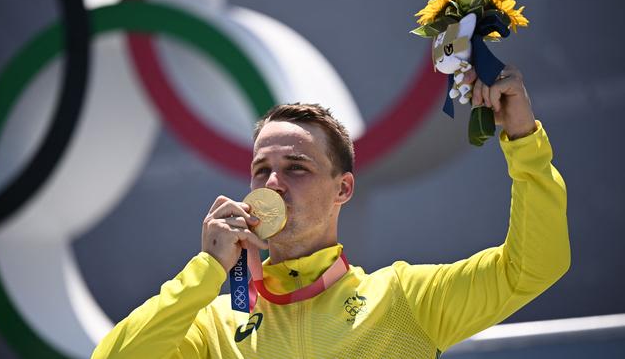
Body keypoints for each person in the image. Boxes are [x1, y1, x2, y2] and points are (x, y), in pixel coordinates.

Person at [92, 65, 570, 358]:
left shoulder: (405, 299)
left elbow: (534, 267)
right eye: (262, 169)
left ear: (343, 189)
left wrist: (524, 143)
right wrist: (206, 272)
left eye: (296, 168)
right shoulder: (213, 323)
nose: (273, 182)